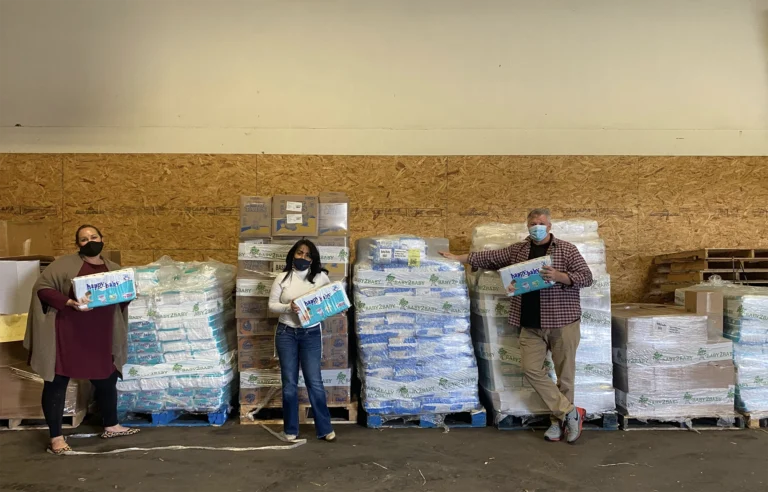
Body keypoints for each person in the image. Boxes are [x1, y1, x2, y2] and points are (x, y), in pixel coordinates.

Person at [441, 208, 593, 444]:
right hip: (530, 324)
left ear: (549, 226)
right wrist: (458, 258)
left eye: (541, 223)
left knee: (565, 377)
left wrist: (560, 276)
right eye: (533, 223)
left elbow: (586, 277)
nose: (537, 226)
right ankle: (569, 413)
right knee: (531, 369)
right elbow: (488, 258)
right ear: (527, 226)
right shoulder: (518, 250)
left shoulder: (566, 249)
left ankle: (558, 423)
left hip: (562, 322)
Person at [24, 225, 140, 455]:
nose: (90, 241)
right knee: (56, 382)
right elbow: (43, 289)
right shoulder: (64, 265)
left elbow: (120, 302)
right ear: (78, 244)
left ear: (102, 239)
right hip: (67, 334)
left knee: (107, 380)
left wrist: (128, 293)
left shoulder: (114, 269)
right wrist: (68, 302)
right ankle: (56, 438)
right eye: (84, 239)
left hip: (101, 335)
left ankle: (111, 425)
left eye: (93, 237)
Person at [268, 239, 336, 443]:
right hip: (286, 333)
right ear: (293, 255)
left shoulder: (320, 278)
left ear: (312, 258)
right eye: (300, 253)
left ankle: (325, 428)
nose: (303, 258)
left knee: (314, 381)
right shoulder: (283, 278)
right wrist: (290, 307)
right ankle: (291, 429)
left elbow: (331, 299)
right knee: (289, 383)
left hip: (311, 333)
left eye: (308, 255)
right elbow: (272, 305)